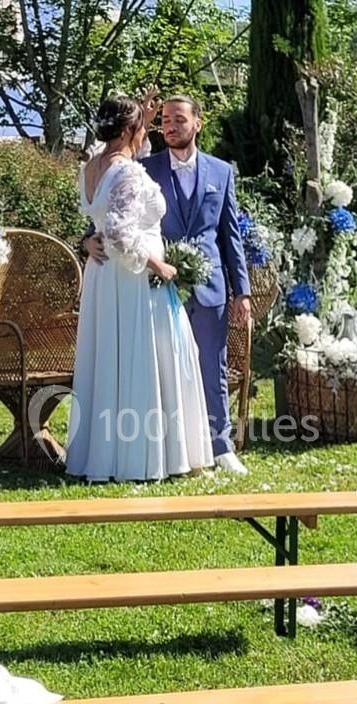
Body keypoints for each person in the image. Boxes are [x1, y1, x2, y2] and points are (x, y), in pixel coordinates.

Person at [84, 94, 252, 475]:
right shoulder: (141, 166)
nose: (170, 126)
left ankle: (220, 445)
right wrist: (85, 240)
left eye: (178, 119)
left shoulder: (222, 172)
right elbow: (108, 212)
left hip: (208, 286)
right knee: (163, 368)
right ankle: (173, 446)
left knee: (212, 365)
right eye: (163, 120)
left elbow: (231, 236)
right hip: (154, 287)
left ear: (198, 123)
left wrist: (241, 291)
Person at [66, 95, 215, 482]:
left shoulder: (92, 167)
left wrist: (87, 241)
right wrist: (159, 265)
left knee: (112, 360)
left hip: (104, 279)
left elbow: (106, 213)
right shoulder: (128, 173)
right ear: (130, 129)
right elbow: (119, 232)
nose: (148, 130)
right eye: (142, 126)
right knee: (148, 356)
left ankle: (106, 452)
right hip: (133, 280)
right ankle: (143, 456)